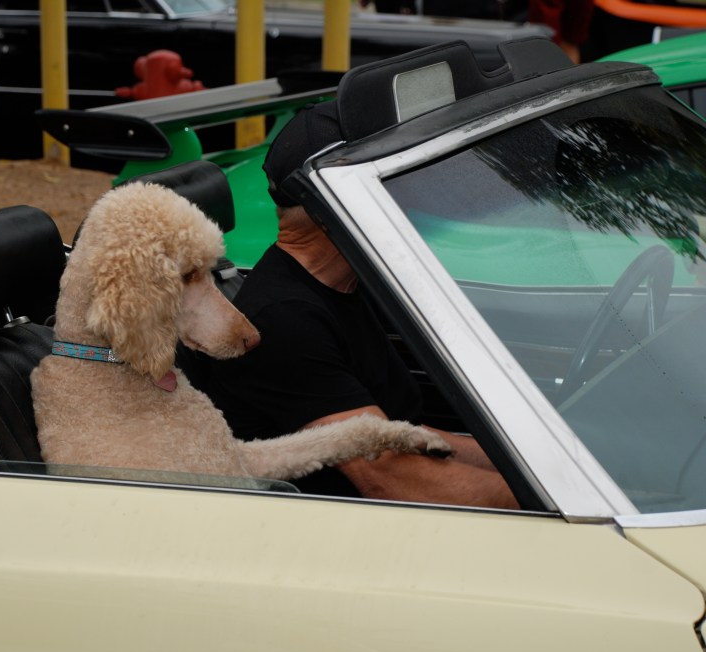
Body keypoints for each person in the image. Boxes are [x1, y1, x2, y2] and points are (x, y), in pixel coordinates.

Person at [204, 101, 519, 509]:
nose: (411, 197)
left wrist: (548, 471)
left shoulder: (345, 283)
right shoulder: (283, 322)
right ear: (338, 203)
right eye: (392, 182)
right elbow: (395, 478)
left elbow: (408, 434)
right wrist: (570, 506)